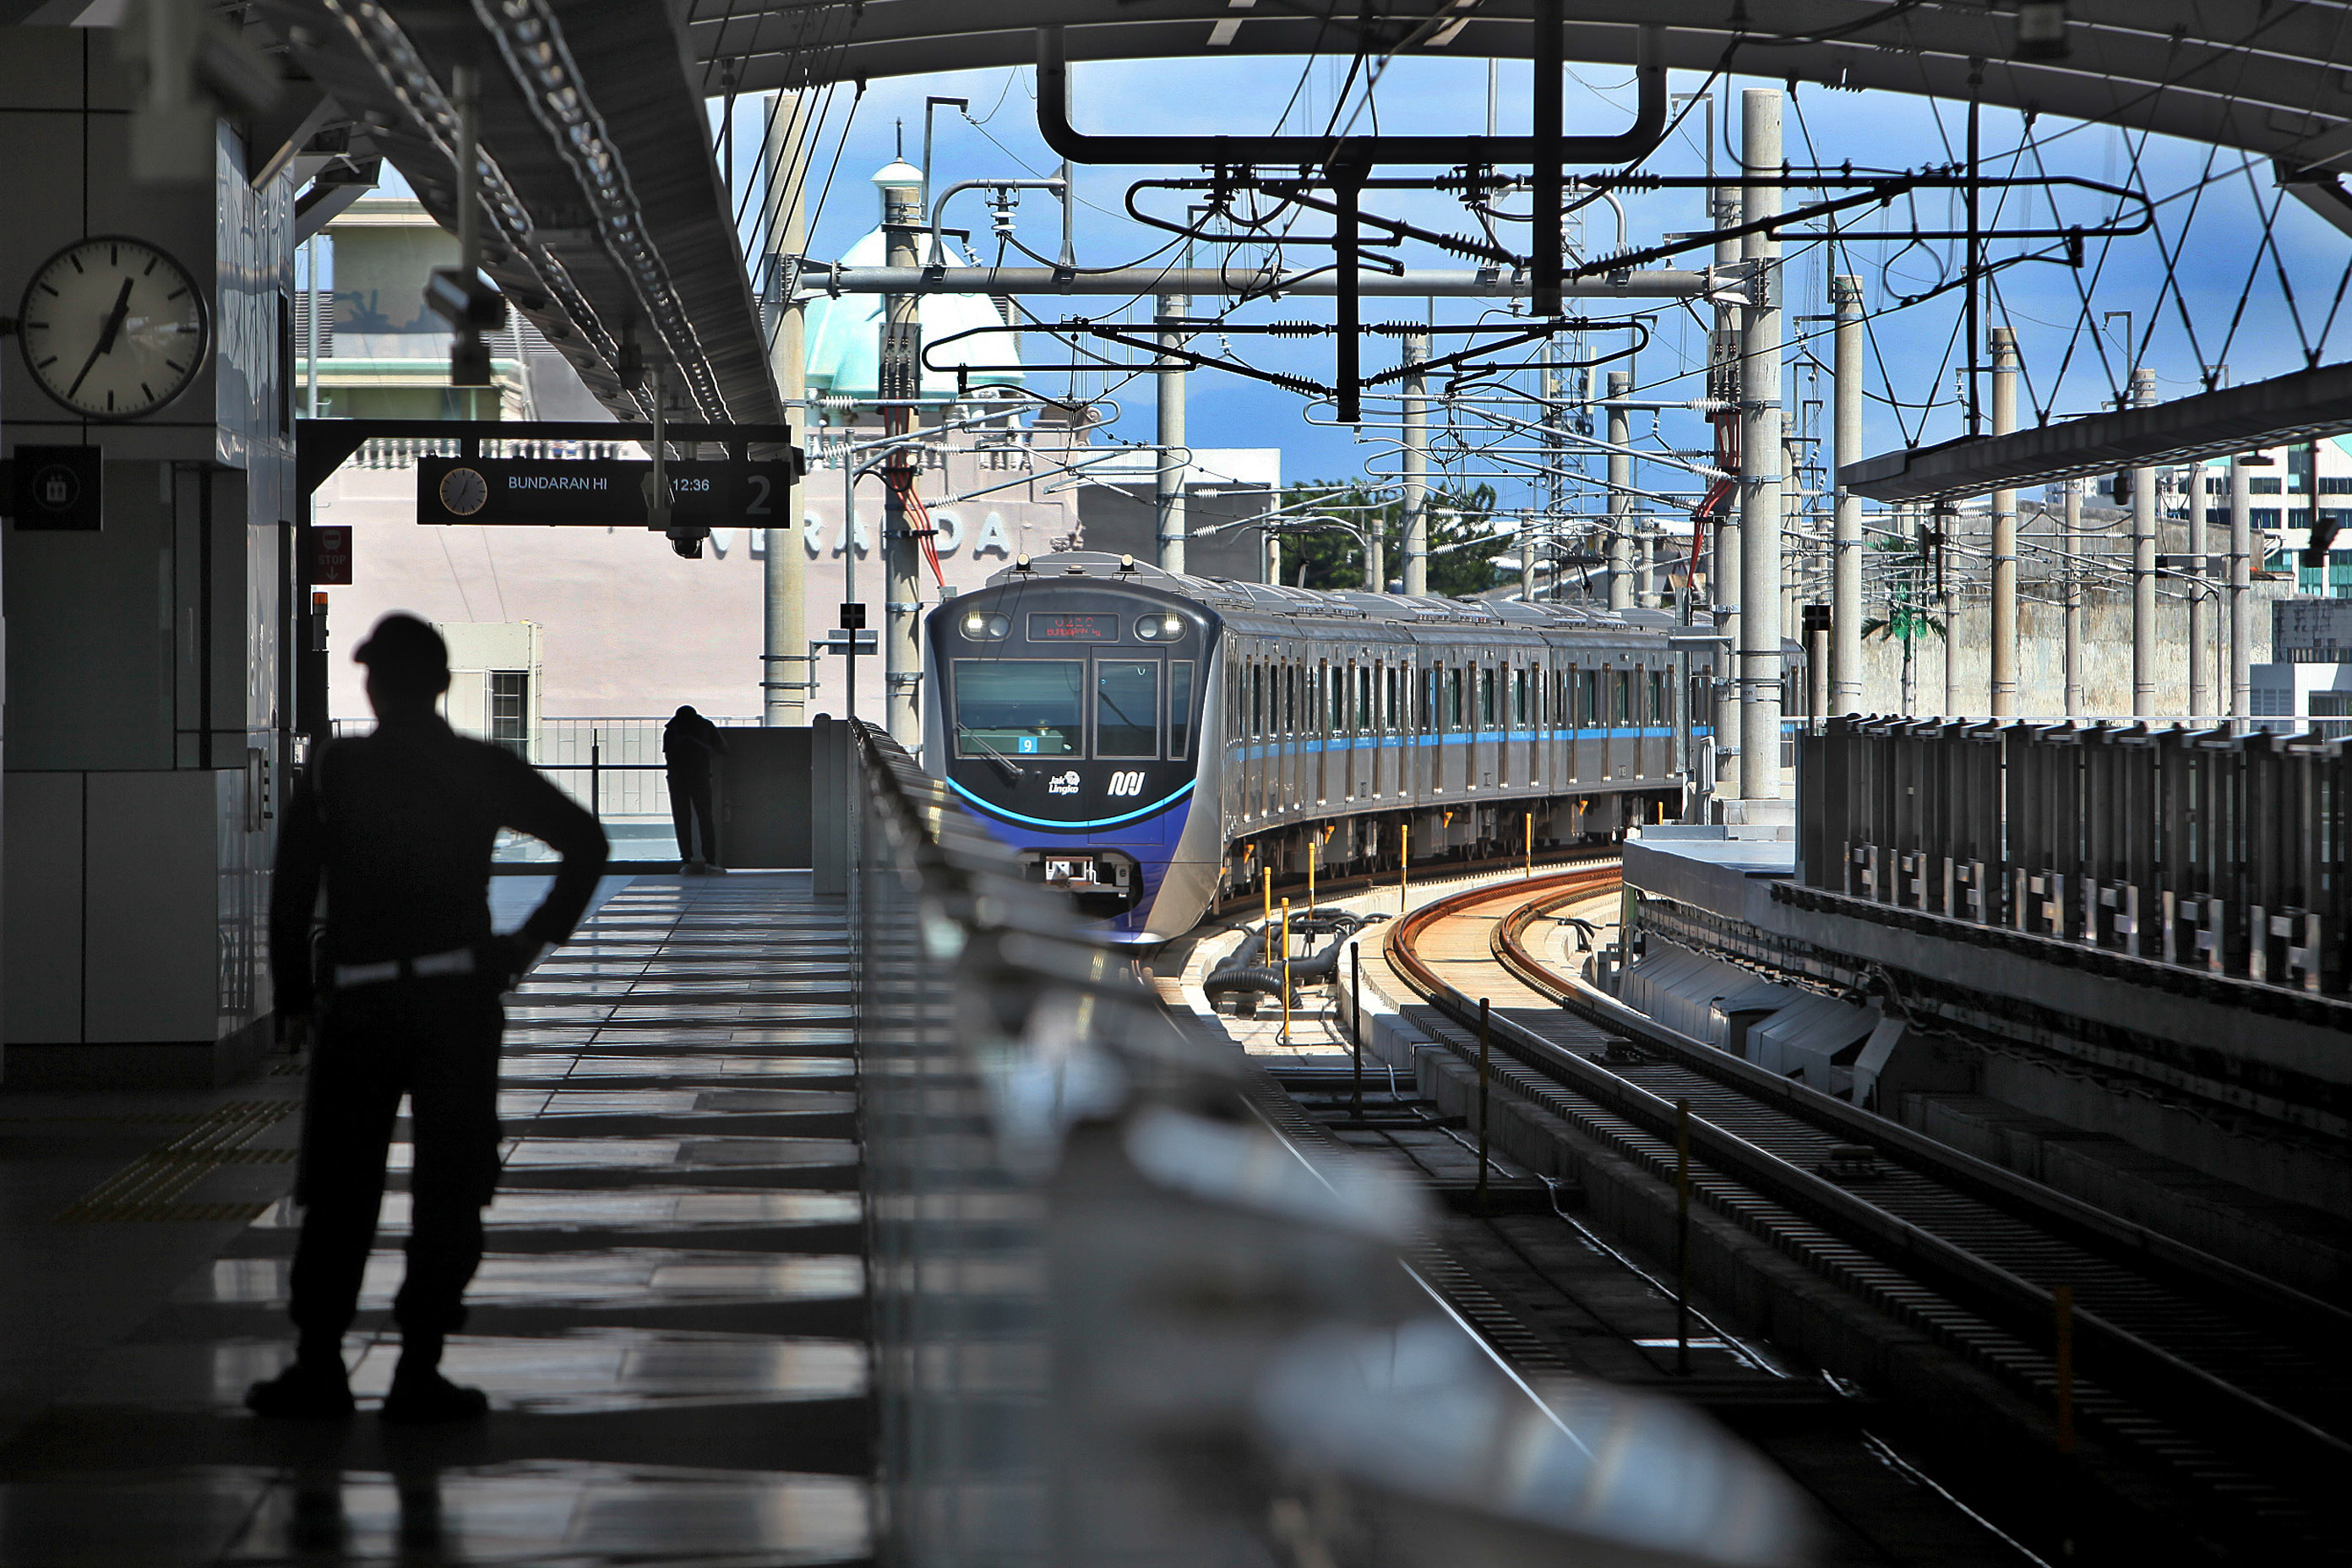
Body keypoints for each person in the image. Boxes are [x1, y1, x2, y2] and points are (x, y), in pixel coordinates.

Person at [247, 613, 608, 1423]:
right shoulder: (480, 767)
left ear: (374, 685)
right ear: (444, 685)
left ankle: (319, 1365)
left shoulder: (336, 773)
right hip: (458, 1003)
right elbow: (587, 843)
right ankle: (419, 1367)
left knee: (339, 1187)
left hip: (358, 1006)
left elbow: (292, 891)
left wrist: (295, 999)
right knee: (453, 1184)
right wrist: (526, 943)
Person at [663, 704, 728, 872]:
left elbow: (669, 757)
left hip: (677, 778)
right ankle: (710, 861)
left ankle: (686, 860)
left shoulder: (672, 729)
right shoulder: (705, 726)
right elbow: (722, 749)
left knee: (682, 819)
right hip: (700, 777)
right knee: (705, 818)